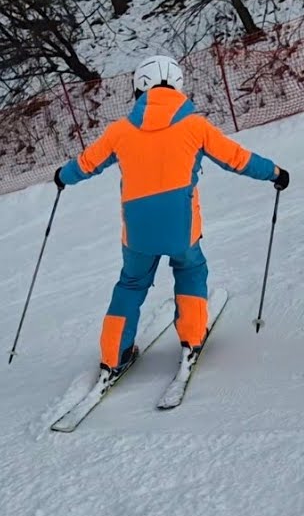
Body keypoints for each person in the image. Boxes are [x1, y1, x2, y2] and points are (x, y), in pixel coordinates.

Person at [54, 55, 289, 380]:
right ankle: (192, 338)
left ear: (140, 87)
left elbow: (84, 164)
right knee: (190, 268)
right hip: (181, 226)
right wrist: (275, 173)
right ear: (178, 86)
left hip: (136, 231)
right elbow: (237, 158)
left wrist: (62, 177)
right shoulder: (195, 126)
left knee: (131, 283)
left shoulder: (119, 131)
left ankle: (113, 355)